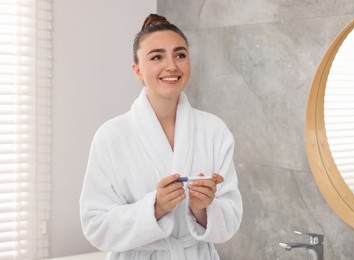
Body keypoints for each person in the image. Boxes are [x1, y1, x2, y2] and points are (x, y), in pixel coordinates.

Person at [79, 13, 242, 260]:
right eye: (157, 57)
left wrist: (203, 209)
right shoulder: (111, 136)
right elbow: (96, 226)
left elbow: (230, 221)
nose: (172, 66)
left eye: (180, 55)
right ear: (137, 70)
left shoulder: (214, 130)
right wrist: (155, 208)